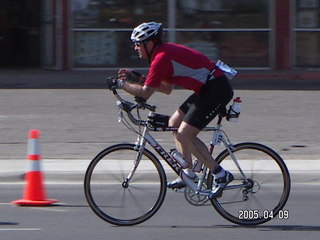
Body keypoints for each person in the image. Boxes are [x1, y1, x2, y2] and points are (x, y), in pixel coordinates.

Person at [107, 22, 234, 199]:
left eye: (138, 43)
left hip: (216, 88)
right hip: (208, 88)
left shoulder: (161, 58)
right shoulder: (160, 55)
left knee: (184, 134)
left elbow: (145, 94)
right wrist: (141, 78)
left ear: (149, 43)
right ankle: (188, 172)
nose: (135, 47)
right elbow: (167, 88)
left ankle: (221, 175)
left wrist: (121, 84)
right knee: (173, 123)